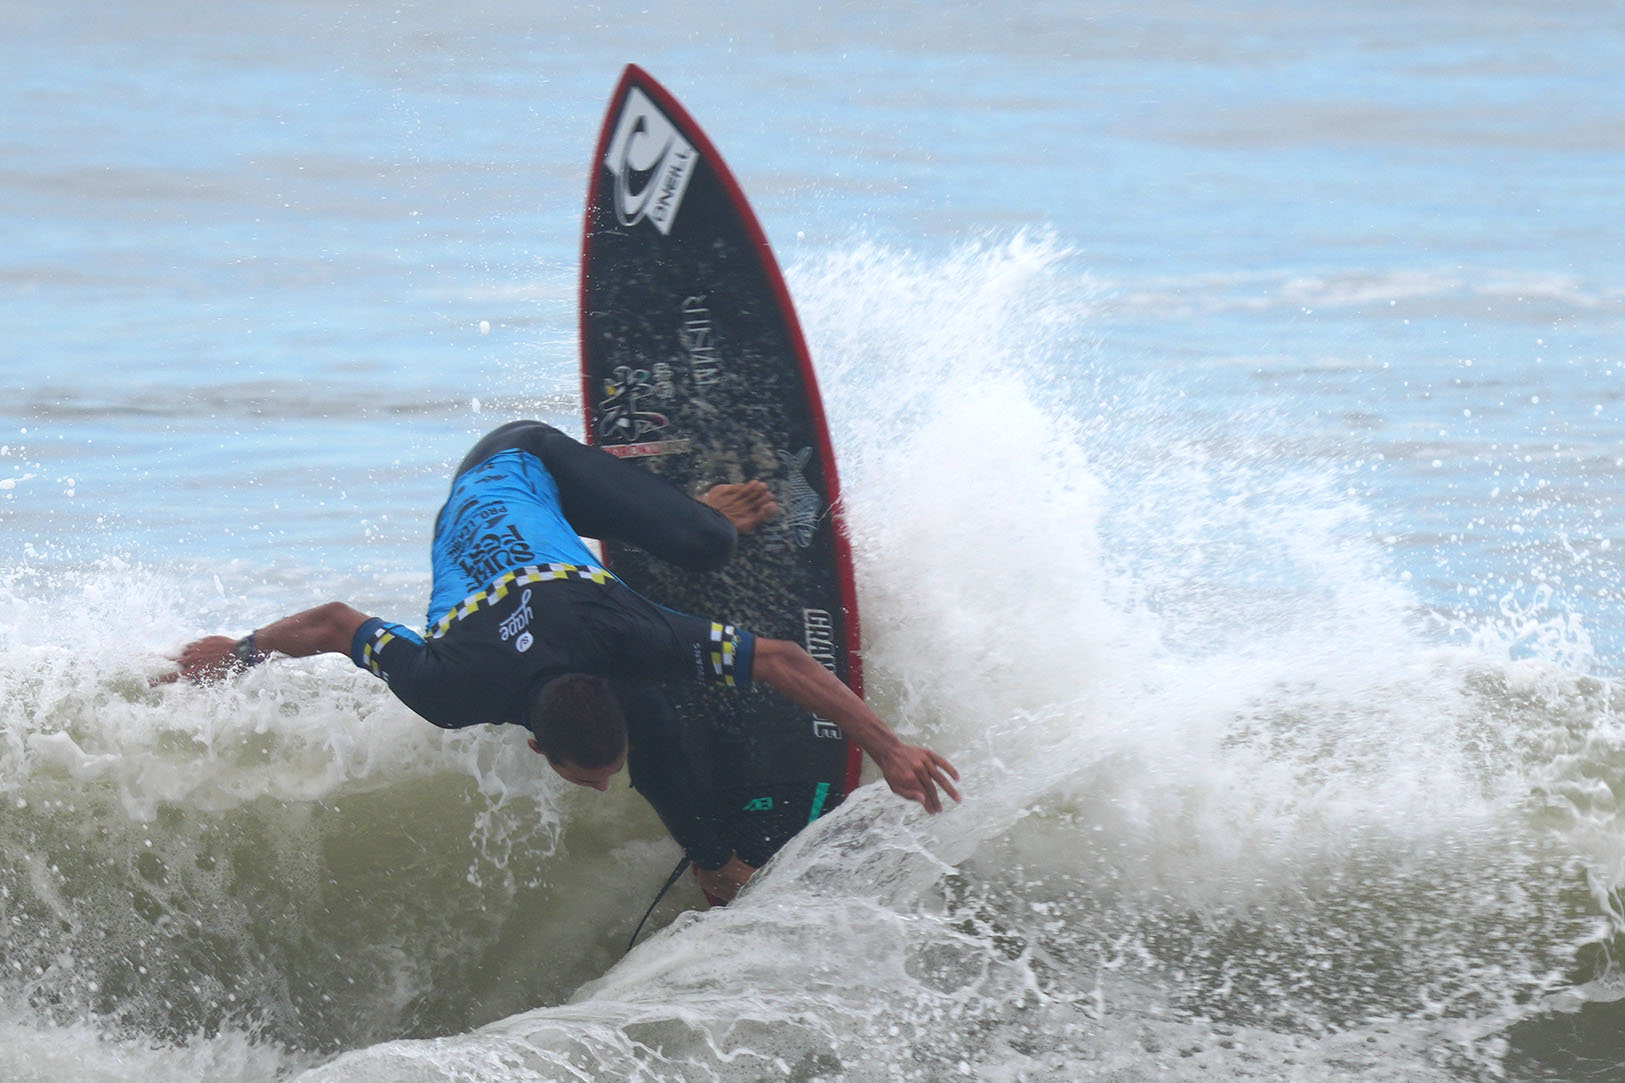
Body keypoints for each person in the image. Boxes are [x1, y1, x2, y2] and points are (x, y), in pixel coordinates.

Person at [170, 420, 960, 903]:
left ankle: (690, 514)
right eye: (596, 776)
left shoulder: (622, 637)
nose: (603, 785)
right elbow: (333, 623)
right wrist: (238, 654)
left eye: (598, 773)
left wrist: (890, 748)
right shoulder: (446, 685)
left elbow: (784, 660)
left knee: (711, 542)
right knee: (652, 699)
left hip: (528, 460)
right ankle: (714, 863)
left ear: (537, 744)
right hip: (484, 503)